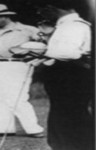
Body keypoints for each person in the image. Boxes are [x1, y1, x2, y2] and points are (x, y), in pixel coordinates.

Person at [22, 2, 94, 149]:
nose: (40, 13)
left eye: (41, 9)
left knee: (71, 114)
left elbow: (69, 53)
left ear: (51, 8)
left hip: (72, 76)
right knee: (61, 112)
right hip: (64, 76)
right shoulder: (65, 25)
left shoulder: (74, 26)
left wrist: (42, 52)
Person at [0, 4, 45, 138]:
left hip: (15, 66)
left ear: (5, 16)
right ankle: (3, 128)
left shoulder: (27, 30)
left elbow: (44, 47)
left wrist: (35, 61)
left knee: (16, 98)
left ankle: (34, 129)